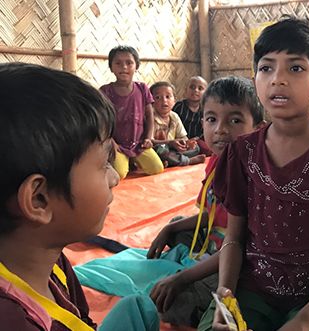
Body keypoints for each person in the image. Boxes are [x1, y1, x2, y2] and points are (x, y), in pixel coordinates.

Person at [198, 16, 309, 331]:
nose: (277, 79)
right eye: (266, 68)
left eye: (295, 68)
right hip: (252, 287)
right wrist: (225, 293)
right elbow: (234, 238)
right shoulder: (242, 152)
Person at [0, 63, 159, 331]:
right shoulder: (13, 320)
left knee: (140, 307)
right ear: (39, 199)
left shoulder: (52, 260)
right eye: (105, 162)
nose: (115, 178)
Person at [147, 76, 264, 327]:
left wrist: (183, 278)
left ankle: (206, 302)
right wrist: (169, 229)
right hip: (213, 245)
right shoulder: (215, 162)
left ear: (258, 128)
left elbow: (237, 245)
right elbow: (207, 215)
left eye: (235, 120)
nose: (220, 129)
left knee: (174, 301)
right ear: (202, 122)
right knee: (177, 224)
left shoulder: (253, 178)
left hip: (235, 263)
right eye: (212, 119)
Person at [100, 45, 164, 179]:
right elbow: (102, 122)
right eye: (118, 63)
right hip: (117, 144)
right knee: (120, 174)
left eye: (129, 63)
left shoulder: (142, 88)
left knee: (156, 168)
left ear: (136, 66)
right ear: (111, 67)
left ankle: (133, 160)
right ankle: (117, 160)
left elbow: (149, 115)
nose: (124, 67)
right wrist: (111, 142)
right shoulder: (105, 91)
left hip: (139, 143)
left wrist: (148, 137)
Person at [150, 81, 206, 167]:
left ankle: (171, 160)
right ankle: (188, 160)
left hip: (173, 149)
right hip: (157, 149)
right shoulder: (150, 117)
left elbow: (182, 137)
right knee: (161, 149)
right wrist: (170, 143)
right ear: (151, 101)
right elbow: (150, 141)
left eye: (168, 97)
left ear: (174, 101)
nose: (164, 100)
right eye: (158, 97)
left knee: (196, 147)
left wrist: (187, 143)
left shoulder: (174, 116)